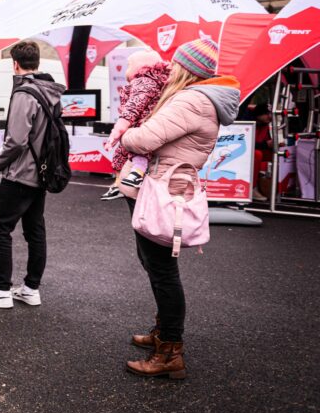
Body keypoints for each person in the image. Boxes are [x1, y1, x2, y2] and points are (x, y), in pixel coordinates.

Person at [120, 38, 238, 380]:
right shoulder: (199, 100)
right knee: (155, 264)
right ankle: (164, 333)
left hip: (164, 188)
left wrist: (124, 134)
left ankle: (170, 350)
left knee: (162, 270)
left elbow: (143, 139)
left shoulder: (191, 100)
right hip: (168, 184)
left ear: (186, 69)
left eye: (176, 63)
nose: (169, 67)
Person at [0, 41, 64, 309]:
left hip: (21, 173)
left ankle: (1, 291)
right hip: (42, 172)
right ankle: (31, 288)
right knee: (35, 230)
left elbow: (17, 141)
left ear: (15, 64)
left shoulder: (25, 93)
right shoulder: (51, 91)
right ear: (37, 63)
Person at [102, 51, 170, 200]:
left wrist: (117, 130)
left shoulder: (144, 81)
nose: (127, 69)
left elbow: (133, 107)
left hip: (140, 126)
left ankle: (135, 175)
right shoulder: (159, 82)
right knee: (121, 155)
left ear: (140, 67)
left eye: (129, 65)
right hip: (143, 127)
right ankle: (118, 183)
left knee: (137, 152)